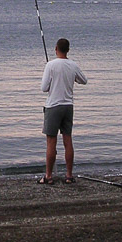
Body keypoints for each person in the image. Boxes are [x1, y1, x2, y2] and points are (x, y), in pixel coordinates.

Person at [39, 38, 87, 184]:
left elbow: (44, 88)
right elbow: (83, 80)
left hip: (53, 106)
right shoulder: (73, 65)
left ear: (56, 49)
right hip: (68, 106)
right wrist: (73, 79)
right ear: (68, 50)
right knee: (68, 140)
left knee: (51, 141)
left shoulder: (51, 65)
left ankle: (48, 176)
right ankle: (69, 175)